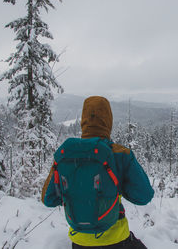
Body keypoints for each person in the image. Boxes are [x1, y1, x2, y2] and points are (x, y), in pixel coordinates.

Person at [41, 96, 154, 249]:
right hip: (116, 240)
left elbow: (48, 199)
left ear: (83, 121)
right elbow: (144, 196)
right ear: (108, 121)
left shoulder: (65, 155)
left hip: (79, 241)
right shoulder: (120, 154)